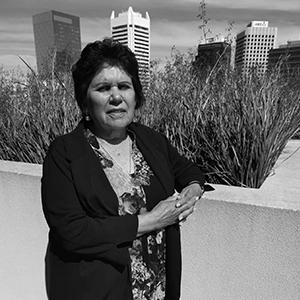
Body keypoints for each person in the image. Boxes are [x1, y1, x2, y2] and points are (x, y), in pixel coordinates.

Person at [41, 38, 205, 300]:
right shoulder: (64, 153)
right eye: (104, 88)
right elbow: (72, 231)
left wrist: (191, 193)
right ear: (85, 101)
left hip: (158, 285)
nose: (116, 96)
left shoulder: (151, 140)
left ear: (135, 95)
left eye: (124, 86)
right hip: (95, 289)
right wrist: (152, 220)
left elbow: (189, 171)